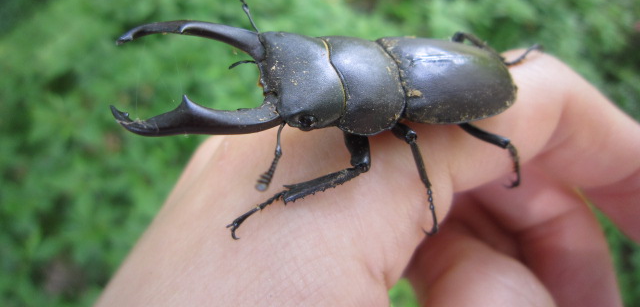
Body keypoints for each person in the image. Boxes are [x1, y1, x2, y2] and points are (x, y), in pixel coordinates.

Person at [95, 52, 639, 306]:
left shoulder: (403, 117)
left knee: (370, 162)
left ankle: (277, 200)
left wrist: (427, 190)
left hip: (486, 86)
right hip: (447, 61)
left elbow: (395, 146)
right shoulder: (382, 59)